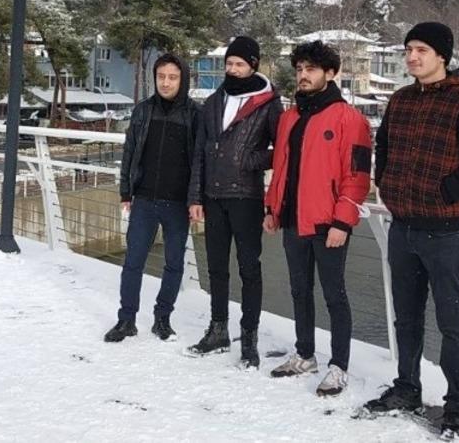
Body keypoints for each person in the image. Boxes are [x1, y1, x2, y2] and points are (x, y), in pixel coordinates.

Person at [363, 22, 459, 439]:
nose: (412, 56)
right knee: (406, 318)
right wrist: (385, 182)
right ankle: (407, 388)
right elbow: (383, 146)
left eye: (421, 49)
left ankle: (458, 405)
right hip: (403, 227)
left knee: (451, 322)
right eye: (408, 49)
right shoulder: (401, 100)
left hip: (446, 233)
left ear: (442, 55)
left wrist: (448, 190)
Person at [262, 40, 371, 396]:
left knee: (334, 295)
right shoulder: (289, 118)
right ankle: (305, 354)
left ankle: (339, 366)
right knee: (299, 290)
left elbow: (357, 177)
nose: (303, 76)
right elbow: (281, 169)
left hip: (328, 224)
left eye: (311, 69)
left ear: (330, 73)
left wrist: (343, 222)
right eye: (299, 69)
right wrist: (272, 208)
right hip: (293, 219)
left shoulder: (349, 119)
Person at [186, 36, 282, 368]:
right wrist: (195, 197)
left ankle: (249, 338)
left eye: (239, 64)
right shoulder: (214, 101)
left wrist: (249, 159)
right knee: (216, 267)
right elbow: (200, 152)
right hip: (213, 196)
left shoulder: (268, 103)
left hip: (246, 196)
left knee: (249, 269)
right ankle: (218, 330)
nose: (233, 69)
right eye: (229, 63)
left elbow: (282, 150)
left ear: (253, 66)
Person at [104, 53, 198, 343]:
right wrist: (126, 191)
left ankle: (162, 318)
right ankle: (126, 319)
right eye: (161, 77)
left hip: (178, 204)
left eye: (172, 77)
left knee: (174, 264)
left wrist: (196, 199)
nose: (166, 83)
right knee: (133, 262)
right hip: (144, 200)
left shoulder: (195, 114)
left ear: (182, 80)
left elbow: (200, 161)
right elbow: (130, 152)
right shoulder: (143, 111)